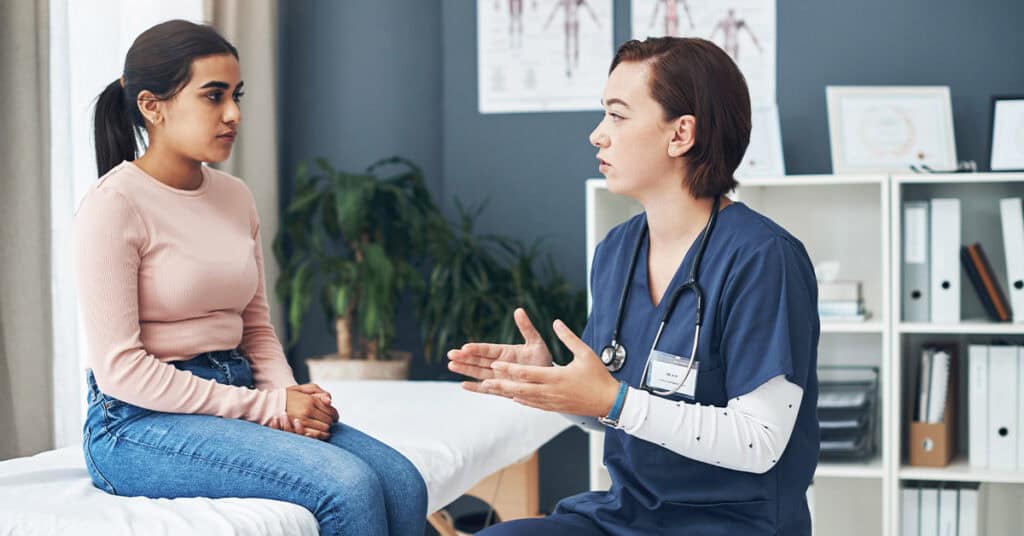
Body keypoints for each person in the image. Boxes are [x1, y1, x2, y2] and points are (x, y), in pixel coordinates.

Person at [448, 37, 819, 535]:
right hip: (626, 515)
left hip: (730, 524)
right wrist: (555, 384)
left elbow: (760, 440)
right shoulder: (617, 251)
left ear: (681, 133)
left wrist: (610, 400)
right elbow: (616, 407)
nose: (597, 136)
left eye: (618, 116)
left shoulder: (762, 257)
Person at [74, 20, 426, 536]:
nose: (234, 113)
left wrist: (287, 404)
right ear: (153, 106)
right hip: (136, 423)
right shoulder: (113, 206)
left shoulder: (234, 195)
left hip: (235, 390)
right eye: (213, 96)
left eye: (236, 95)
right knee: (347, 486)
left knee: (401, 482)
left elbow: (256, 327)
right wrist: (267, 406)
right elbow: (121, 369)